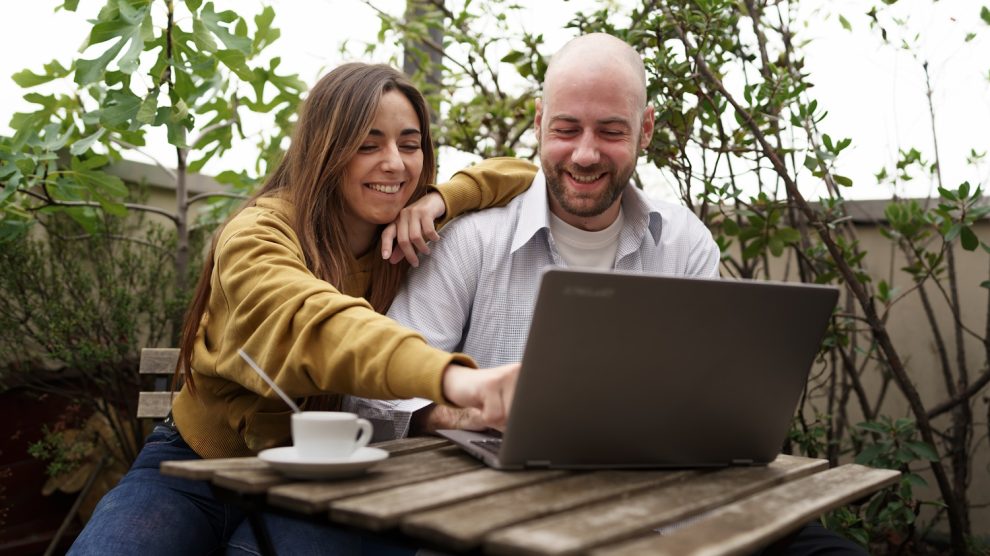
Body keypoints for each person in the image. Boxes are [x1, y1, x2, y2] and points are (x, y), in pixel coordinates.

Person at [378, 33, 868, 555]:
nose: (585, 154)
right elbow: (378, 398)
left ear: (645, 130)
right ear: (539, 123)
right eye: (566, 129)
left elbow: (711, 399)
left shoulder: (683, 241)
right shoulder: (468, 239)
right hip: (509, 518)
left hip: (673, 509)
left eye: (611, 131)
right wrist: (471, 415)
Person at [68, 63, 536, 556]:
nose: (395, 164)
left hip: (327, 472)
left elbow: (521, 173)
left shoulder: (401, 233)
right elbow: (315, 323)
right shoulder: (258, 234)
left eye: (410, 143)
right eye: (367, 143)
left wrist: (441, 199)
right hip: (194, 467)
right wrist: (456, 380)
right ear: (324, 148)